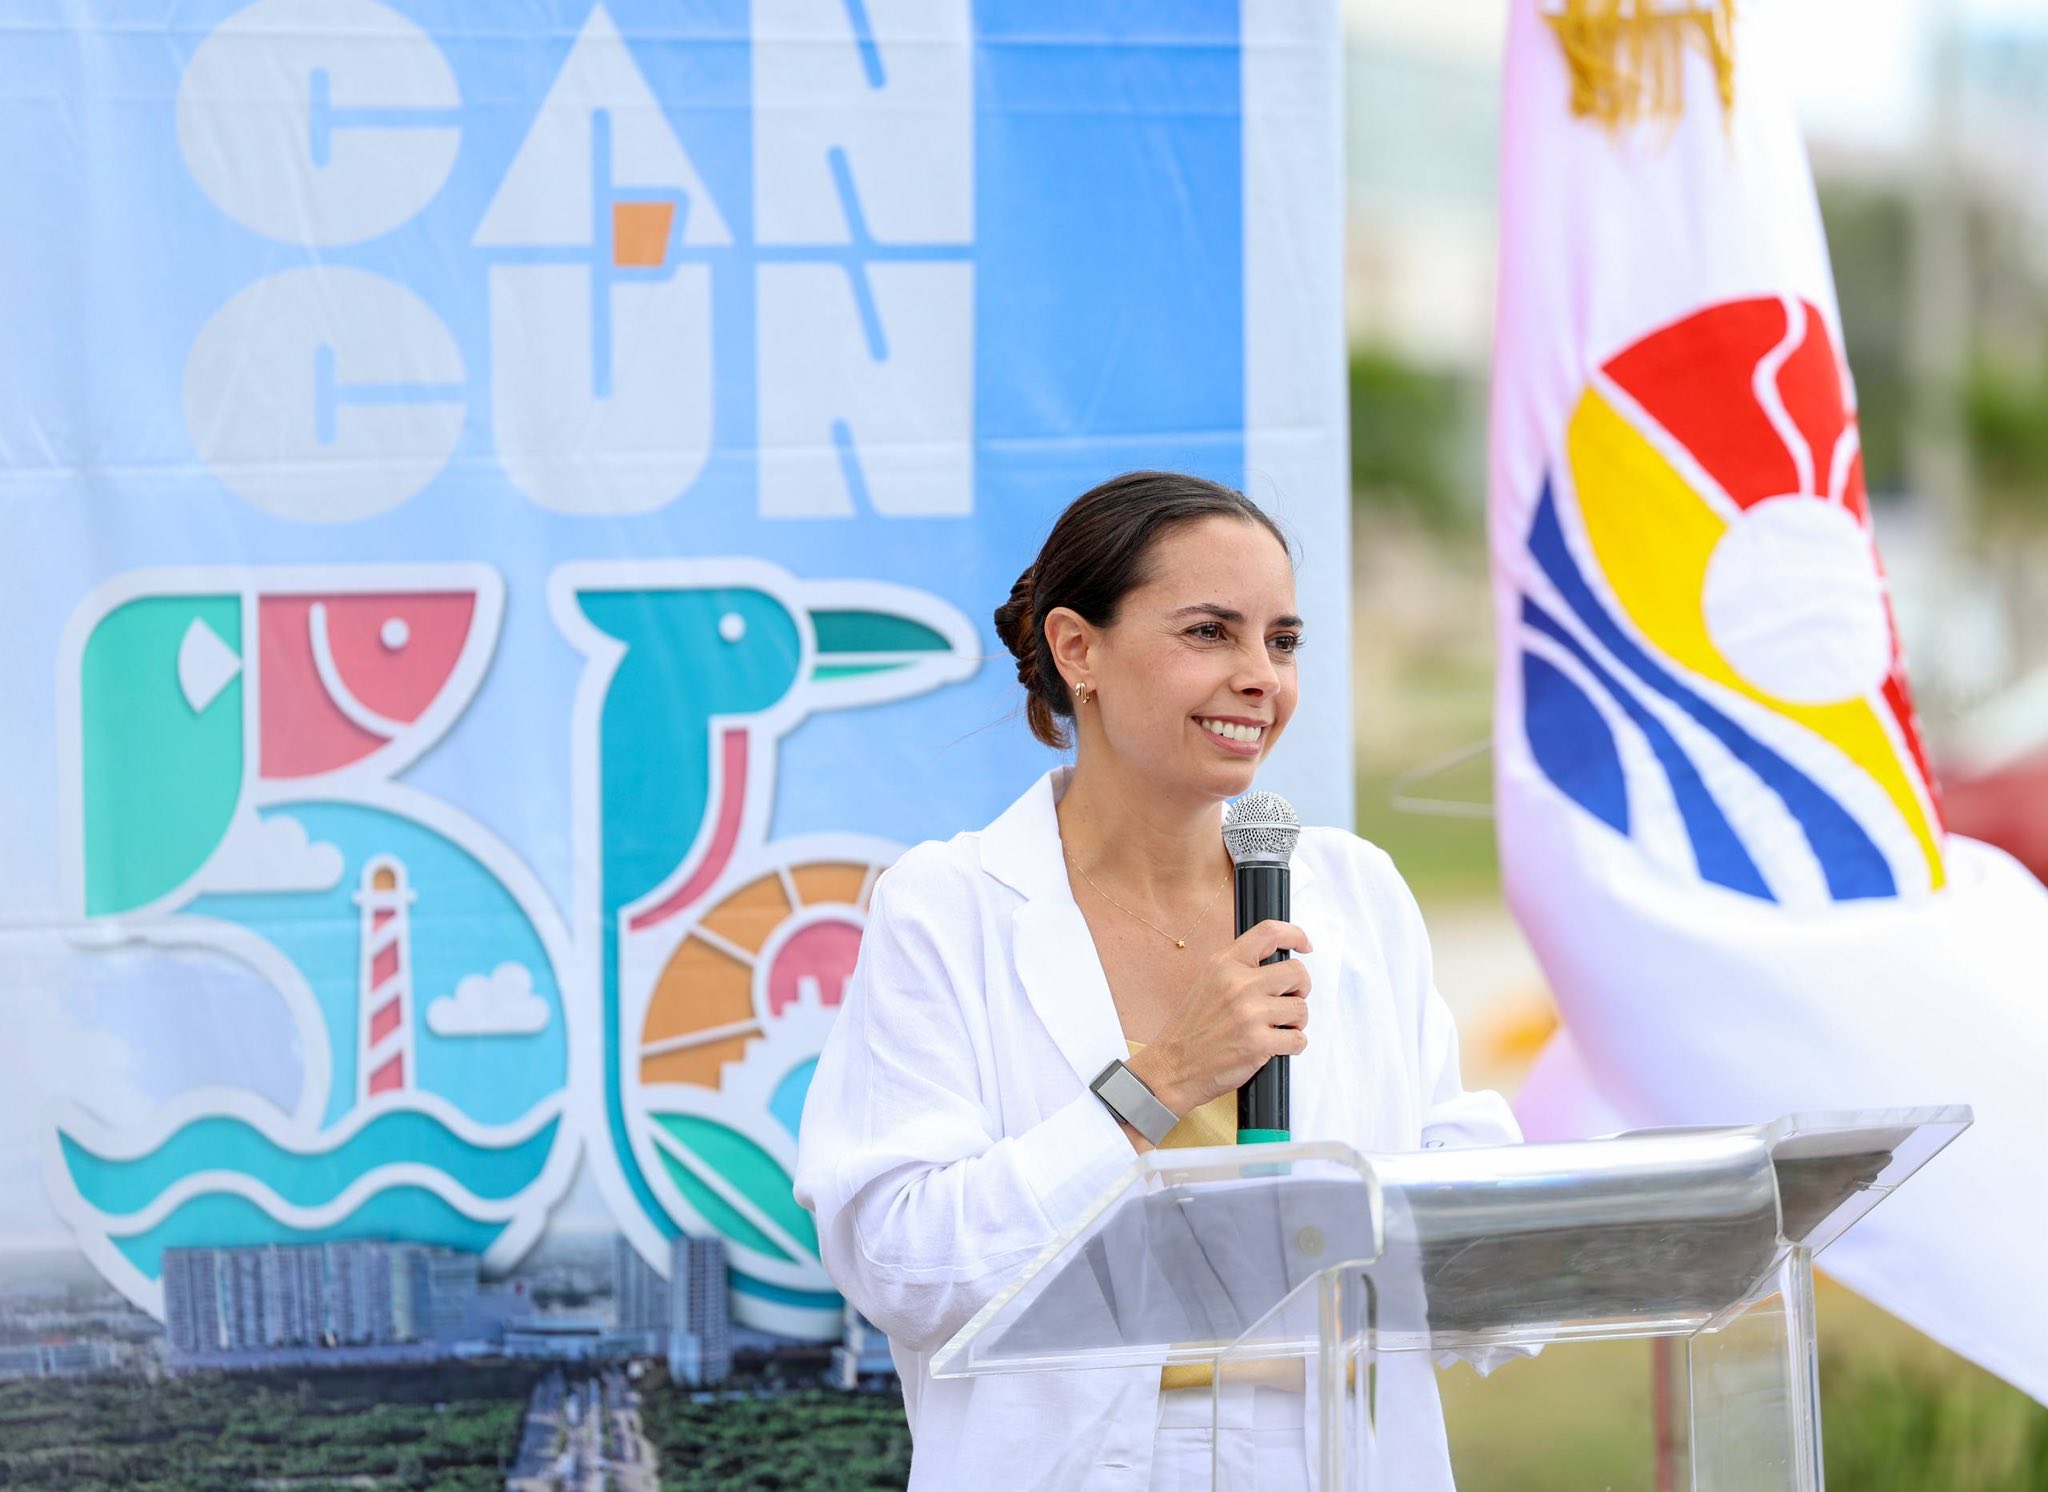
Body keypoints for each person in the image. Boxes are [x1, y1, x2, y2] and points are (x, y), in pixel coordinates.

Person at [794, 471, 1521, 1489]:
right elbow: (902, 1261)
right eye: (1209, 632)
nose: (1259, 677)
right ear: (1076, 649)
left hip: (1332, 1458)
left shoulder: (1354, 893)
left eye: (1281, 641)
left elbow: (1461, 1194)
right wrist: (1159, 1081)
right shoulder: (948, 907)